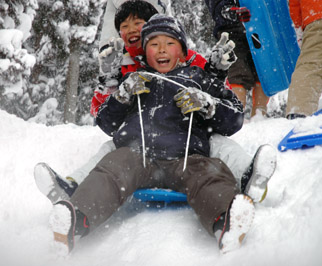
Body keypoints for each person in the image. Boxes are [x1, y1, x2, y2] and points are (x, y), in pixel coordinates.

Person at [49, 14, 258, 255]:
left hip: (186, 155)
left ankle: (226, 223)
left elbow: (234, 119)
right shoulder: (133, 79)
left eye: (170, 43)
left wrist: (208, 104)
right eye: (154, 44)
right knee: (113, 168)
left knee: (209, 173)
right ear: (144, 51)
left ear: (181, 51)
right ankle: (76, 220)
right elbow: (106, 122)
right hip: (138, 155)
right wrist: (121, 97)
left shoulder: (198, 78)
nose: (162, 50)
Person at [35, 0, 276, 206]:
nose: (130, 30)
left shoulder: (184, 58)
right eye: (123, 26)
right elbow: (103, 115)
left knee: (217, 143)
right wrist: (111, 83)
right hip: (142, 138)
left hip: (186, 133)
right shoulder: (121, 65)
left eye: (137, 24)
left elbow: (209, 87)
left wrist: (214, 75)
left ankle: (247, 176)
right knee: (111, 149)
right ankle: (74, 186)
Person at [204, 0, 270, 117]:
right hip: (231, 29)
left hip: (260, 24)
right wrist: (228, 11)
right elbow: (216, 5)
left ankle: (259, 115)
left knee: (264, 71)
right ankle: (235, 116)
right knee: (237, 72)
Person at [285, 0, 322, 119]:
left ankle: (299, 111)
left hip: (316, 15)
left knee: (310, 67)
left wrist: (298, 26)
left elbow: (295, 4)